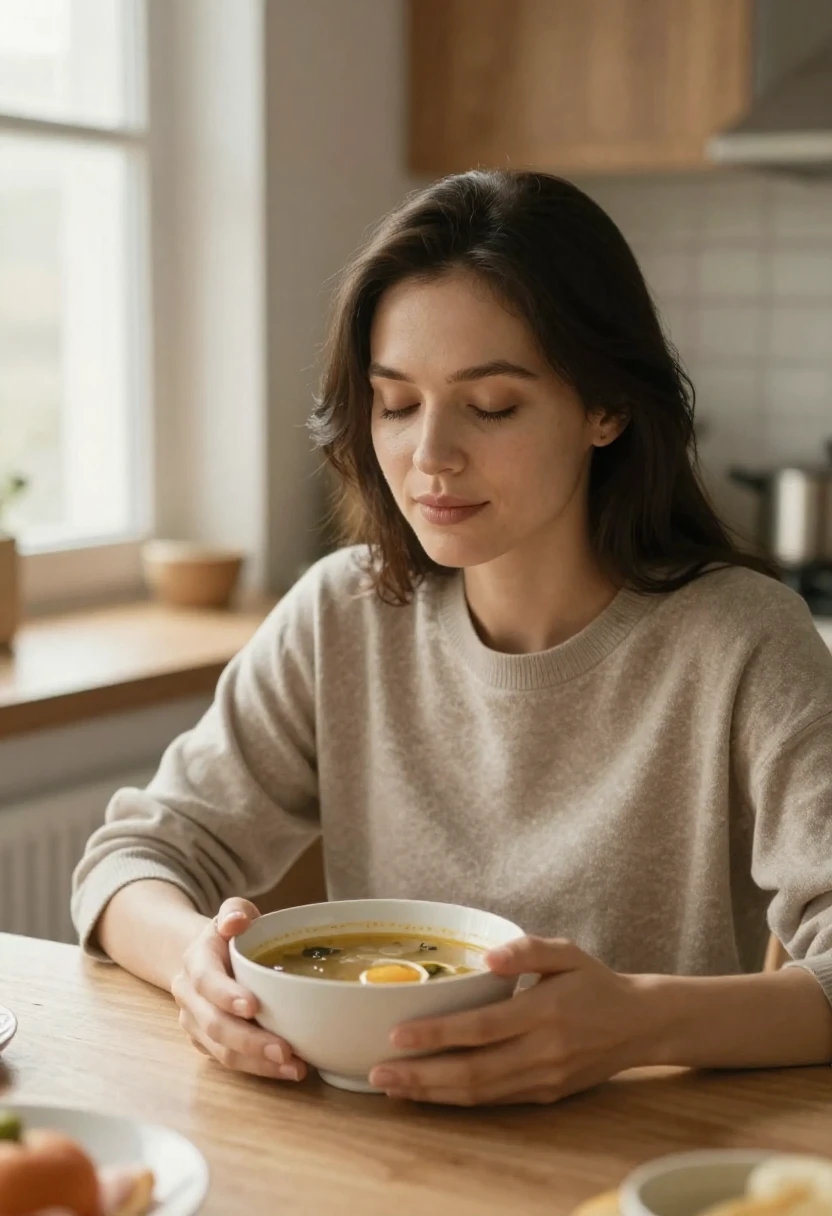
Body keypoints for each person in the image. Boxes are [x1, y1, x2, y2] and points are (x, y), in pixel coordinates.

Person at [72, 170, 832, 1108]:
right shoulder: (340, 615)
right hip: (370, 1153)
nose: (430, 456)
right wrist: (194, 965)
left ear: (606, 408)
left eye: (492, 405)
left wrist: (636, 1021)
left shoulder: (744, 641)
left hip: (632, 1166)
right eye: (395, 404)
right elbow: (132, 859)